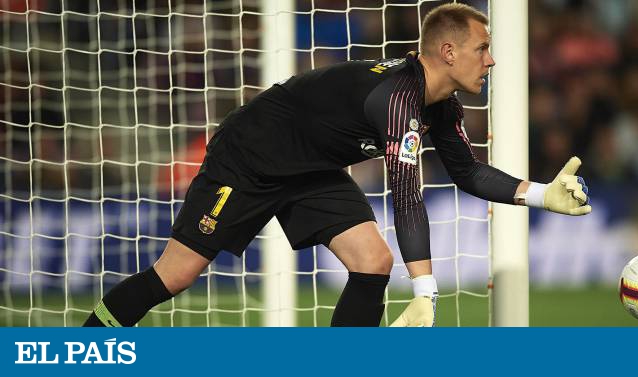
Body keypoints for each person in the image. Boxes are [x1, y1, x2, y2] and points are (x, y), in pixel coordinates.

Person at [83, 3, 591, 328]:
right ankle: (84, 350)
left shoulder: (439, 106)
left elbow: (469, 173)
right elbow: (407, 197)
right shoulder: (398, 99)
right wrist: (426, 293)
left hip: (311, 169)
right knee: (176, 275)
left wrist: (544, 194)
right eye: (483, 48)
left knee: (372, 260)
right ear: (448, 50)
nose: (492, 60)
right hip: (250, 158)